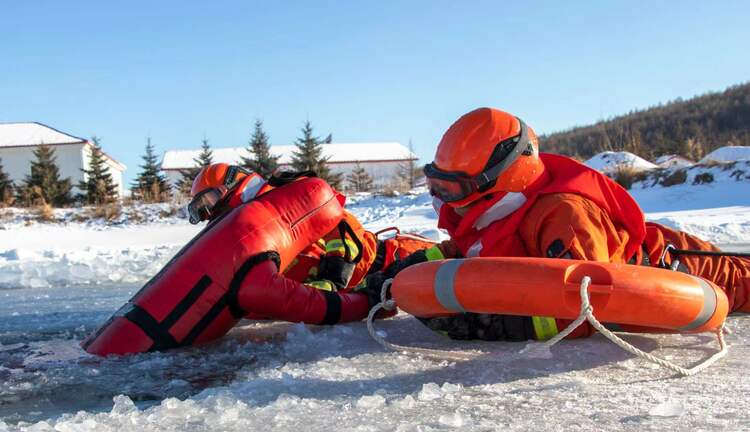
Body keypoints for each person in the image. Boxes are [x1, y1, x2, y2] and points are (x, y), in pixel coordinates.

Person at [360, 107, 750, 341]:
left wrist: (500, 326)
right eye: (437, 184)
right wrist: (405, 266)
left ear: (502, 179)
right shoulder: (494, 210)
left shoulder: (564, 215)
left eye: (452, 188)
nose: (441, 199)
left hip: (697, 272)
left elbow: (591, 304)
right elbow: (470, 250)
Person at [186, 163, 437, 322]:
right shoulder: (247, 240)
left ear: (232, 187)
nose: (209, 213)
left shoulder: (283, 199)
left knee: (450, 270)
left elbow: (339, 224)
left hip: (392, 260)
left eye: (208, 202)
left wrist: (334, 275)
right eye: (201, 210)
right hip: (361, 290)